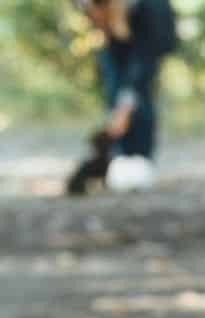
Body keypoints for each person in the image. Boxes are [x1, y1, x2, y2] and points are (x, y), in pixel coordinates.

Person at [76, 0, 178, 190]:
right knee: (114, 86)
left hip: (148, 33)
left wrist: (126, 106)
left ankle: (140, 158)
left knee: (137, 94)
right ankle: (119, 155)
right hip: (116, 32)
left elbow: (144, 63)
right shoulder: (92, 11)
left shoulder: (150, 11)